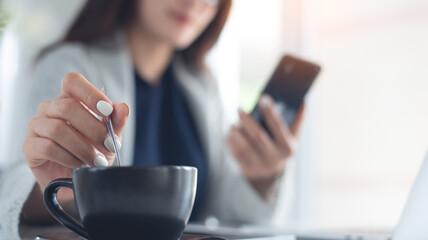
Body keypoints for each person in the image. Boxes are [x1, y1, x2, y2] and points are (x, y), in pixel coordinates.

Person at [0, 0, 304, 238]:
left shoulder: (202, 86)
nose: (194, 2)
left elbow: (221, 210)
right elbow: (12, 190)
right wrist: (51, 192)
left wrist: (264, 178)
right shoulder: (70, 67)